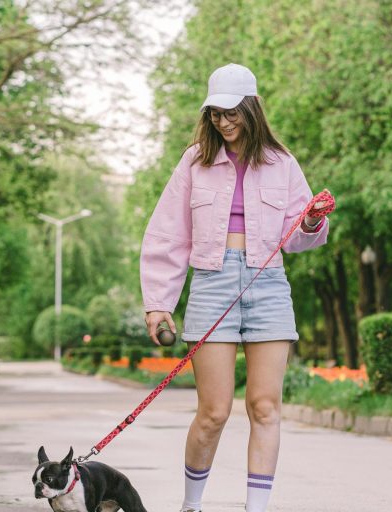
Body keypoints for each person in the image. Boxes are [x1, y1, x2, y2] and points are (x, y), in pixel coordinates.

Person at [139, 63, 331, 512]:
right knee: (214, 413)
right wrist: (158, 303)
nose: (223, 122)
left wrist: (312, 219)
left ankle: (255, 508)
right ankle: (191, 505)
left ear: (252, 109)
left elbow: (299, 237)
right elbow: (168, 233)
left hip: (268, 284)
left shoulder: (283, 163)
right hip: (211, 281)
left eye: (232, 113)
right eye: (215, 114)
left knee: (265, 407)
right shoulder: (195, 161)